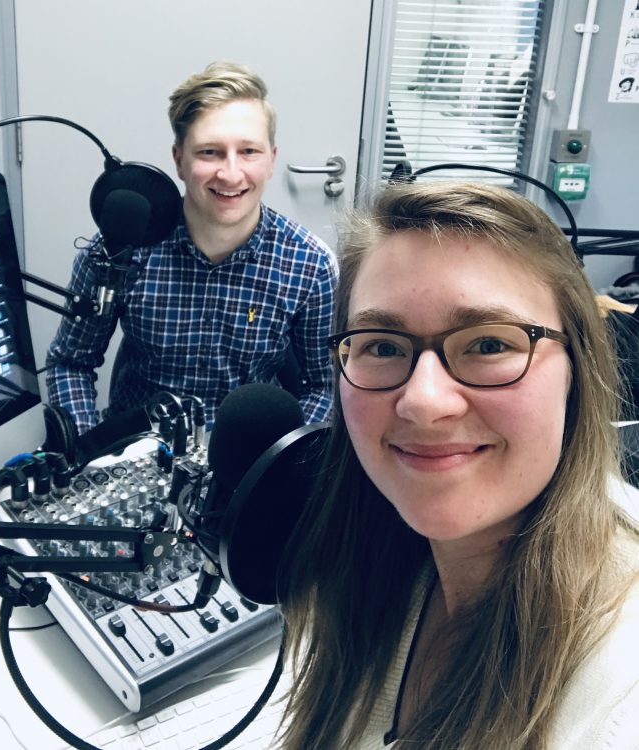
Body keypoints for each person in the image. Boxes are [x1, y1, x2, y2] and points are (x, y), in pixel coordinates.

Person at [278, 181, 639, 749]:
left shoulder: (621, 698)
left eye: (489, 344)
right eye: (383, 346)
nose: (423, 401)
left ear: (576, 369)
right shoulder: (373, 564)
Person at [46, 61, 337, 433]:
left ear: (272, 161)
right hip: (137, 453)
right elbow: (70, 362)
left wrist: (275, 457)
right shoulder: (119, 251)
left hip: (246, 459)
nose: (231, 174)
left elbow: (325, 387)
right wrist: (87, 451)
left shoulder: (309, 265)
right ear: (179, 160)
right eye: (209, 153)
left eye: (249, 151)